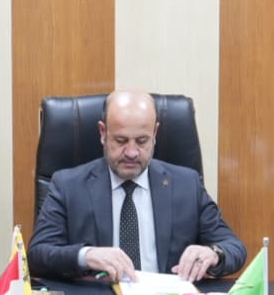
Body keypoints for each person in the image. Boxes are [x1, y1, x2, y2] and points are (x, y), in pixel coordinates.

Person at [27, 90, 246, 283]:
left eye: (142, 141)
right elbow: (37, 255)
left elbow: (233, 247)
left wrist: (213, 253)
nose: (132, 153)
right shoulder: (68, 185)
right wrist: (87, 255)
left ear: (155, 134)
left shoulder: (186, 184)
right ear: (103, 133)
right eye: (121, 141)